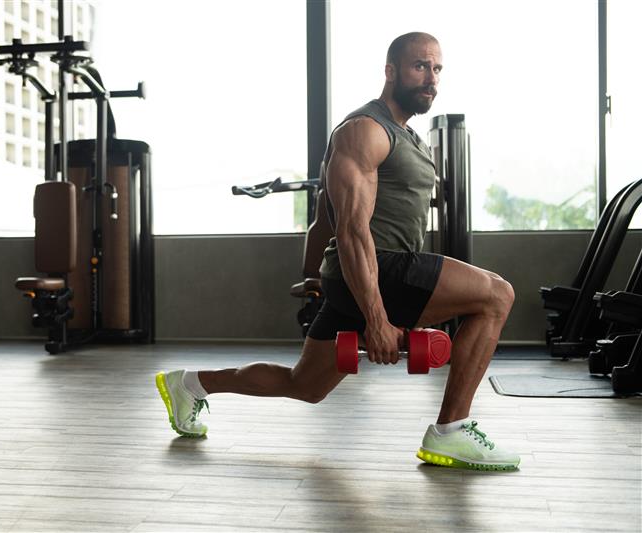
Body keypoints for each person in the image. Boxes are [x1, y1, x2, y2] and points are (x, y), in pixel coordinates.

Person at [156, 32, 520, 471]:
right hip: (377, 267)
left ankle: (190, 384)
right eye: (419, 66)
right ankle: (451, 432)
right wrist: (377, 319)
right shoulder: (365, 130)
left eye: (437, 68)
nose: (431, 78)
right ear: (390, 72)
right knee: (497, 294)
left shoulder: (409, 136)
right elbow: (350, 230)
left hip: (362, 275)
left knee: (304, 384)